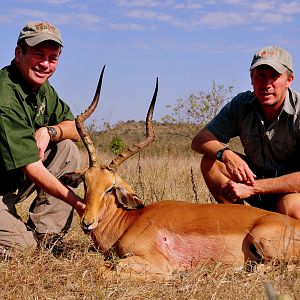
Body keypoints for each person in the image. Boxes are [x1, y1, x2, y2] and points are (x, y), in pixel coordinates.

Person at [0, 21, 85, 256]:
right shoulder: (5, 97)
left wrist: (50, 131)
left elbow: (76, 129)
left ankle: (47, 238)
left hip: (12, 183)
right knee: (23, 249)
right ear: (19, 53)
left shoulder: (42, 89)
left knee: (66, 148)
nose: (45, 64)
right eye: (39, 55)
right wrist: (78, 203)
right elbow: (32, 168)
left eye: (53, 57)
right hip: (13, 179)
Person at [191, 45, 300, 220]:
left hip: (289, 191)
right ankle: (239, 224)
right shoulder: (242, 104)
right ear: (251, 79)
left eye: (274, 76)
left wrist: (253, 188)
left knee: (294, 209)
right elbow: (199, 140)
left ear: (289, 80)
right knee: (211, 162)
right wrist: (225, 154)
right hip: (253, 182)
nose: (266, 84)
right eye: (260, 76)